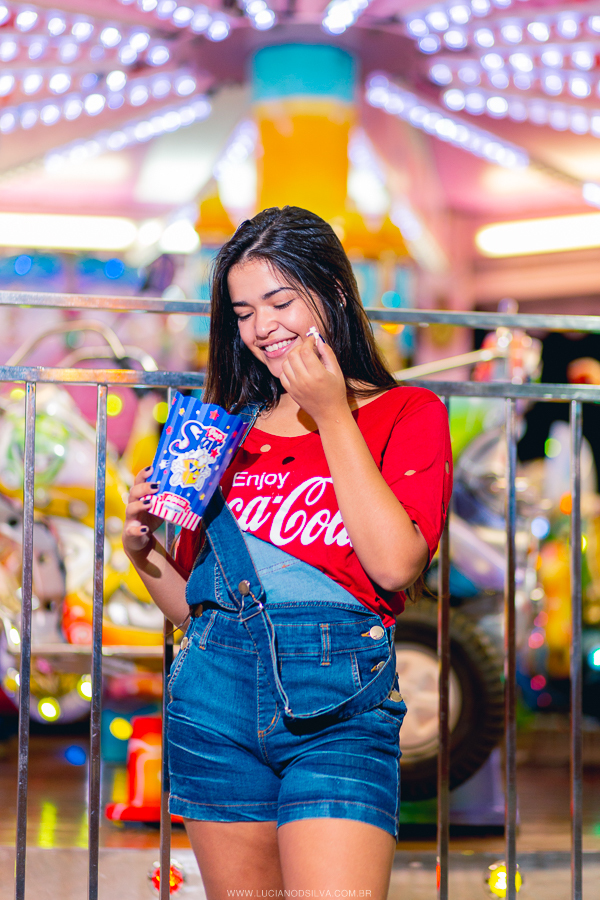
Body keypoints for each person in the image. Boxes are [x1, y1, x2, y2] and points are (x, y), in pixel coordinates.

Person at [123, 206, 452, 900]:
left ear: (332, 292)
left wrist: (331, 411)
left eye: (280, 301)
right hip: (212, 701)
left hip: (339, 709)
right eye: (244, 312)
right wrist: (143, 552)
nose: (263, 327)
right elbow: (195, 611)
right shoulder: (218, 431)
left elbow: (396, 566)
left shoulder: (408, 413)